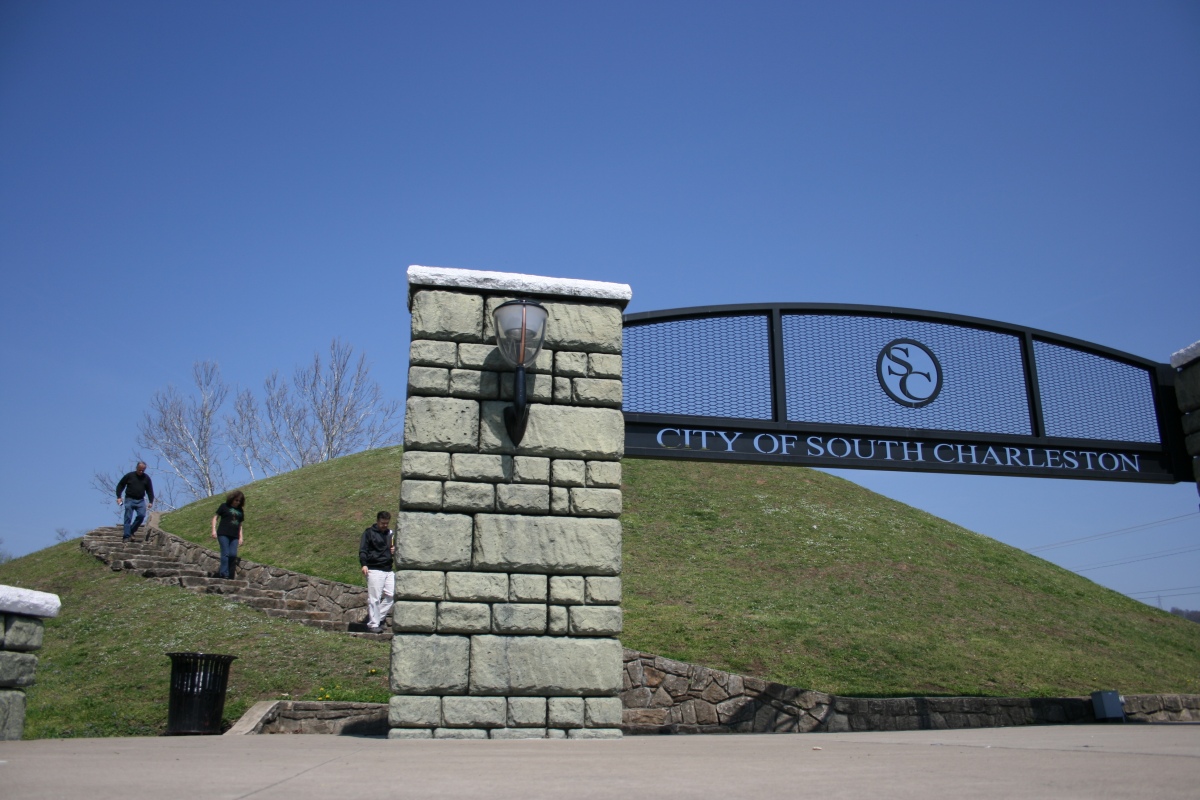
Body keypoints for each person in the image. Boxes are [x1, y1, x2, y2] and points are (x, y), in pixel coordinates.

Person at [359, 511, 395, 633]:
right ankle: (374, 624)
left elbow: (393, 548)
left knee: (393, 594)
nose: (384, 525)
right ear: (377, 521)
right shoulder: (369, 533)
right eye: (382, 523)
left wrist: (394, 550)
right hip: (374, 568)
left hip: (388, 568)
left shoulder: (390, 534)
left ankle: (378, 617)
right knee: (374, 597)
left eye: (386, 523)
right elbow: (363, 549)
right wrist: (364, 564)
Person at [115, 462, 155, 543]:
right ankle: (126, 536)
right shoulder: (129, 476)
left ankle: (131, 531)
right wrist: (119, 497)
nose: (141, 472)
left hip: (140, 500)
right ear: (136, 468)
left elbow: (150, 490)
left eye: (143, 470)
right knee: (128, 518)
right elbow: (120, 485)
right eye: (140, 470)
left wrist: (151, 501)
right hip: (129, 499)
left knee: (141, 515)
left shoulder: (146, 478)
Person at [210, 490, 246, 580]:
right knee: (225, 553)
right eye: (236, 500)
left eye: (239, 501)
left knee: (233, 554)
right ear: (232, 499)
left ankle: (229, 574)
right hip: (223, 533)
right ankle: (224, 573)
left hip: (234, 536)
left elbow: (240, 524)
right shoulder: (224, 506)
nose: (237, 502)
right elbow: (215, 518)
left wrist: (241, 537)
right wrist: (213, 530)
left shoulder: (240, 510)